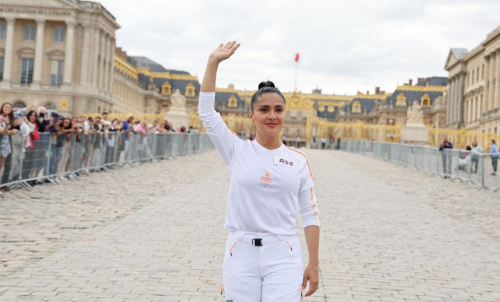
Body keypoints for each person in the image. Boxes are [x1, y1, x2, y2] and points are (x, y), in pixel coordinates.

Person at [199, 41, 319, 301]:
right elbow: (207, 114)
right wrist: (213, 63)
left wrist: (313, 263)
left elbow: (310, 214)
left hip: (283, 253)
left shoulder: (298, 160)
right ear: (251, 116)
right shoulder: (236, 150)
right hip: (240, 251)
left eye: (278, 110)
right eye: (264, 110)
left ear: (285, 115)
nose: (272, 116)